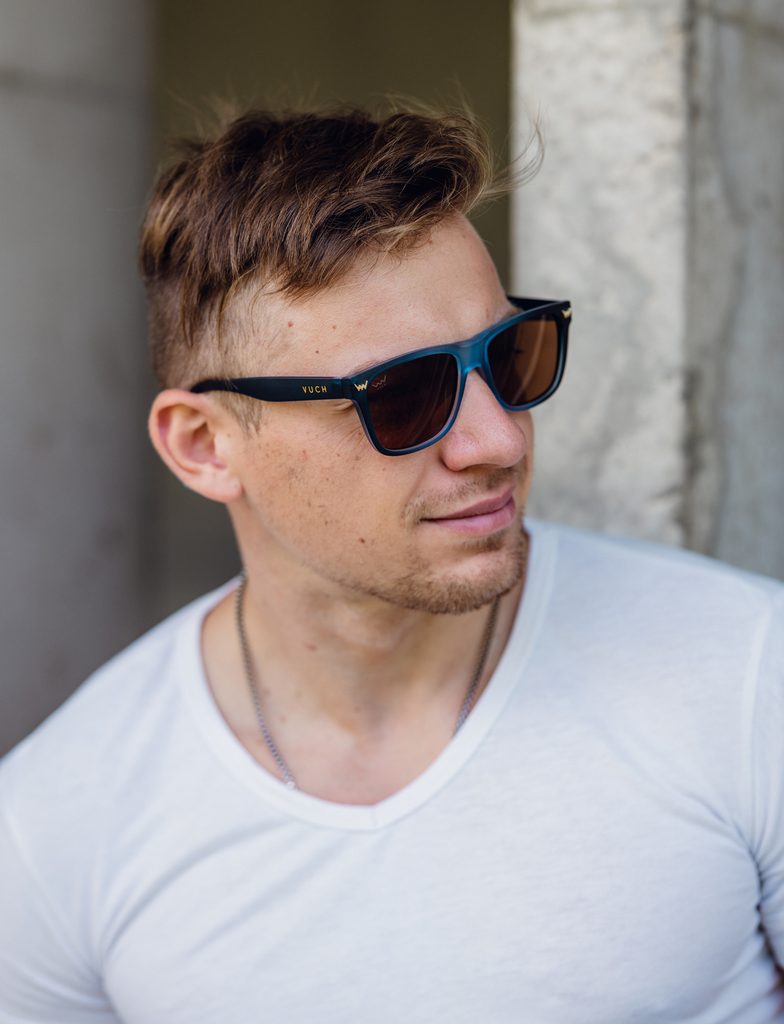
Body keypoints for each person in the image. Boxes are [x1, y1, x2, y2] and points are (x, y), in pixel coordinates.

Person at [0, 104, 782, 1024]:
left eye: (510, 356)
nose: (499, 440)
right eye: (403, 396)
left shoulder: (746, 675)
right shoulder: (56, 822)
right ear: (205, 446)